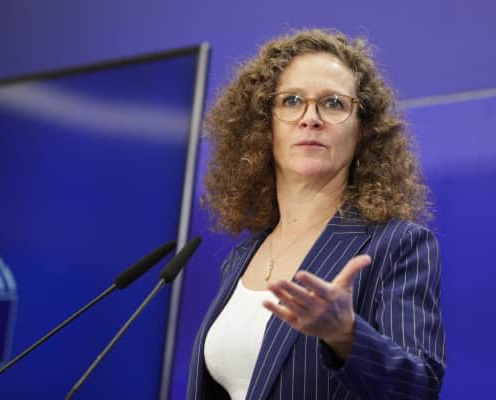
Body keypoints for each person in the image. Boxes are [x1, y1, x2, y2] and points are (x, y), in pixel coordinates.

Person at [187, 29, 446, 400]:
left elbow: (418, 386)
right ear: (264, 125)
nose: (310, 118)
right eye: (292, 101)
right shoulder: (241, 258)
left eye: (334, 103)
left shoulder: (397, 245)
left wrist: (346, 334)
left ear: (363, 130)